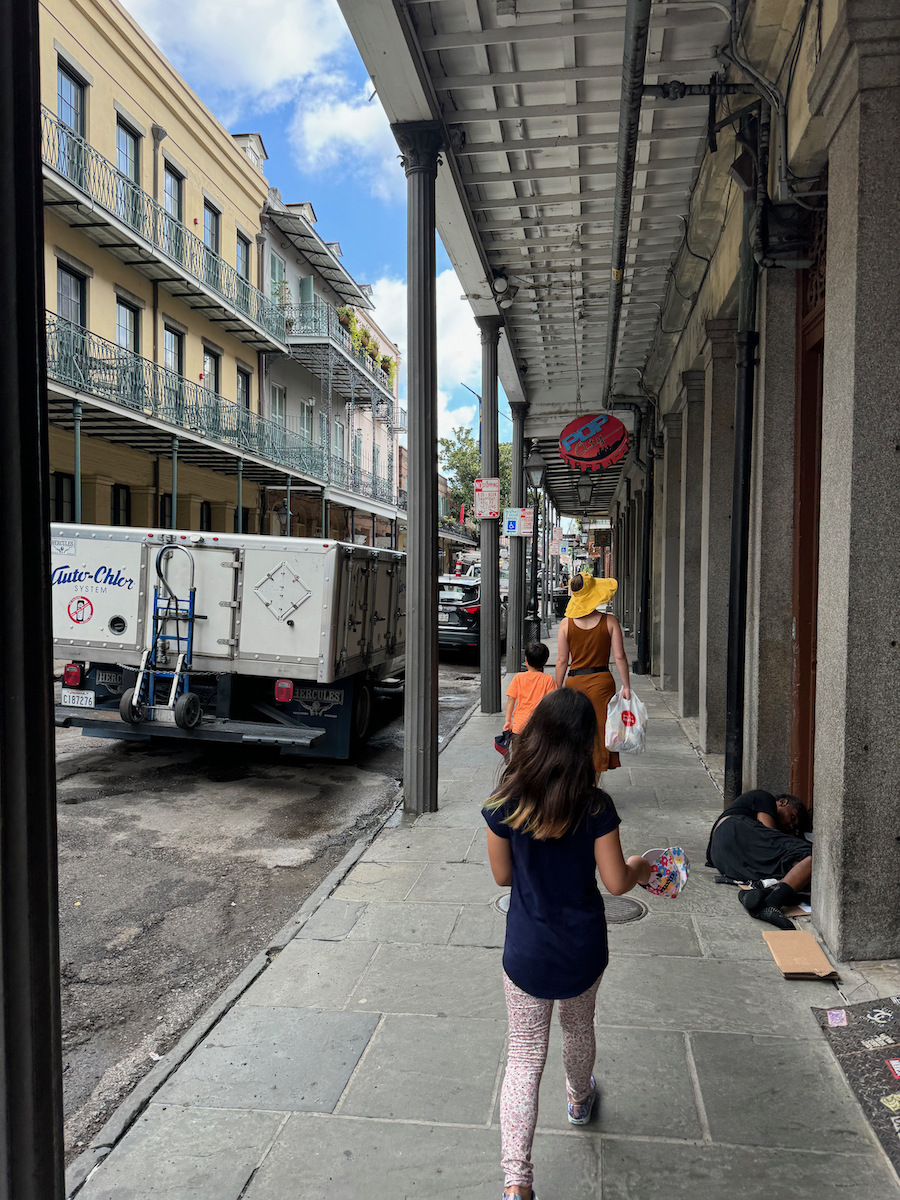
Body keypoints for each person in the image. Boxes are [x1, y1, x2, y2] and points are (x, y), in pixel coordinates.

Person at [483, 688, 652, 1200]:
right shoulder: (595, 805)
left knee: (523, 1057)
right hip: (582, 948)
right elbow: (617, 882)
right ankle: (579, 1099)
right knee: (578, 1027)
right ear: (584, 743)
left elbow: (502, 877)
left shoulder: (505, 801)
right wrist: (642, 866)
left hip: (527, 950)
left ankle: (516, 1182)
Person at [706, 789, 811, 930]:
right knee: (809, 852)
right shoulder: (764, 798)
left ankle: (760, 896)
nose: (791, 826)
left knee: (799, 872)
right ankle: (771, 901)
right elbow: (768, 831)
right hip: (734, 829)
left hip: (724, 859)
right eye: (792, 817)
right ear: (782, 802)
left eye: (794, 827)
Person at [555, 574, 629, 776]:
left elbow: (562, 660)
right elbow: (620, 656)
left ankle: (576, 777)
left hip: (574, 684)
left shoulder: (566, 624)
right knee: (600, 731)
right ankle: (594, 779)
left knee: (575, 731)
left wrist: (557, 687)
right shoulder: (609, 621)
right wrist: (626, 686)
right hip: (602, 682)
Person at [503, 642, 556, 739]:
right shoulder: (548, 679)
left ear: (526, 660)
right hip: (538, 727)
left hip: (519, 725)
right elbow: (552, 704)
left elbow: (511, 700)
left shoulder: (518, 678)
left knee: (518, 748)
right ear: (545, 662)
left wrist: (508, 721)